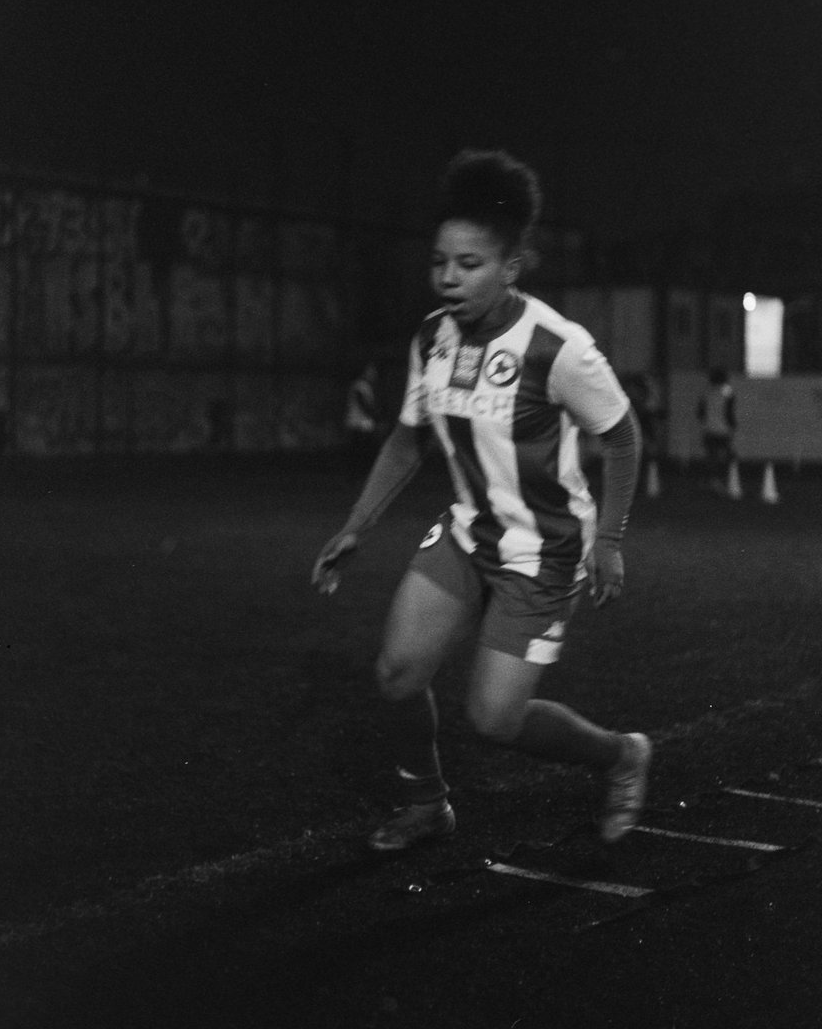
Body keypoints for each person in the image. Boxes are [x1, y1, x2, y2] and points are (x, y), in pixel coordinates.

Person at [311, 149, 649, 852]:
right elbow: (409, 440)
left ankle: (622, 756)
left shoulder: (559, 348)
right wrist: (357, 526)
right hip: (469, 534)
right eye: (440, 261)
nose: (448, 278)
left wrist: (609, 541)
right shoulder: (432, 337)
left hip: (544, 552)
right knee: (398, 673)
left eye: (469, 264)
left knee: (495, 720)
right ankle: (428, 803)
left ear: (511, 268)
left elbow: (622, 437)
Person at [697, 367, 738, 496]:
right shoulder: (728, 392)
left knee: (710, 456)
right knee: (724, 456)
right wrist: (733, 425)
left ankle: (707, 482)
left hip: (708, 429)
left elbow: (700, 412)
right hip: (723, 429)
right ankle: (719, 482)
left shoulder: (706, 392)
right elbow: (729, 411)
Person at [343, 362, 381, 479]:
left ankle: (358, 474)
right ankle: (357, 475)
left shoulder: (365, 385)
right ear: (365, 371)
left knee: (360, 451)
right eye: (371, 371)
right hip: (359, 423)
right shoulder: (360, 385)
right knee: (361, 451)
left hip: (361, 423)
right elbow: (362, 403)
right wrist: (375, 415)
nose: (374, 374)